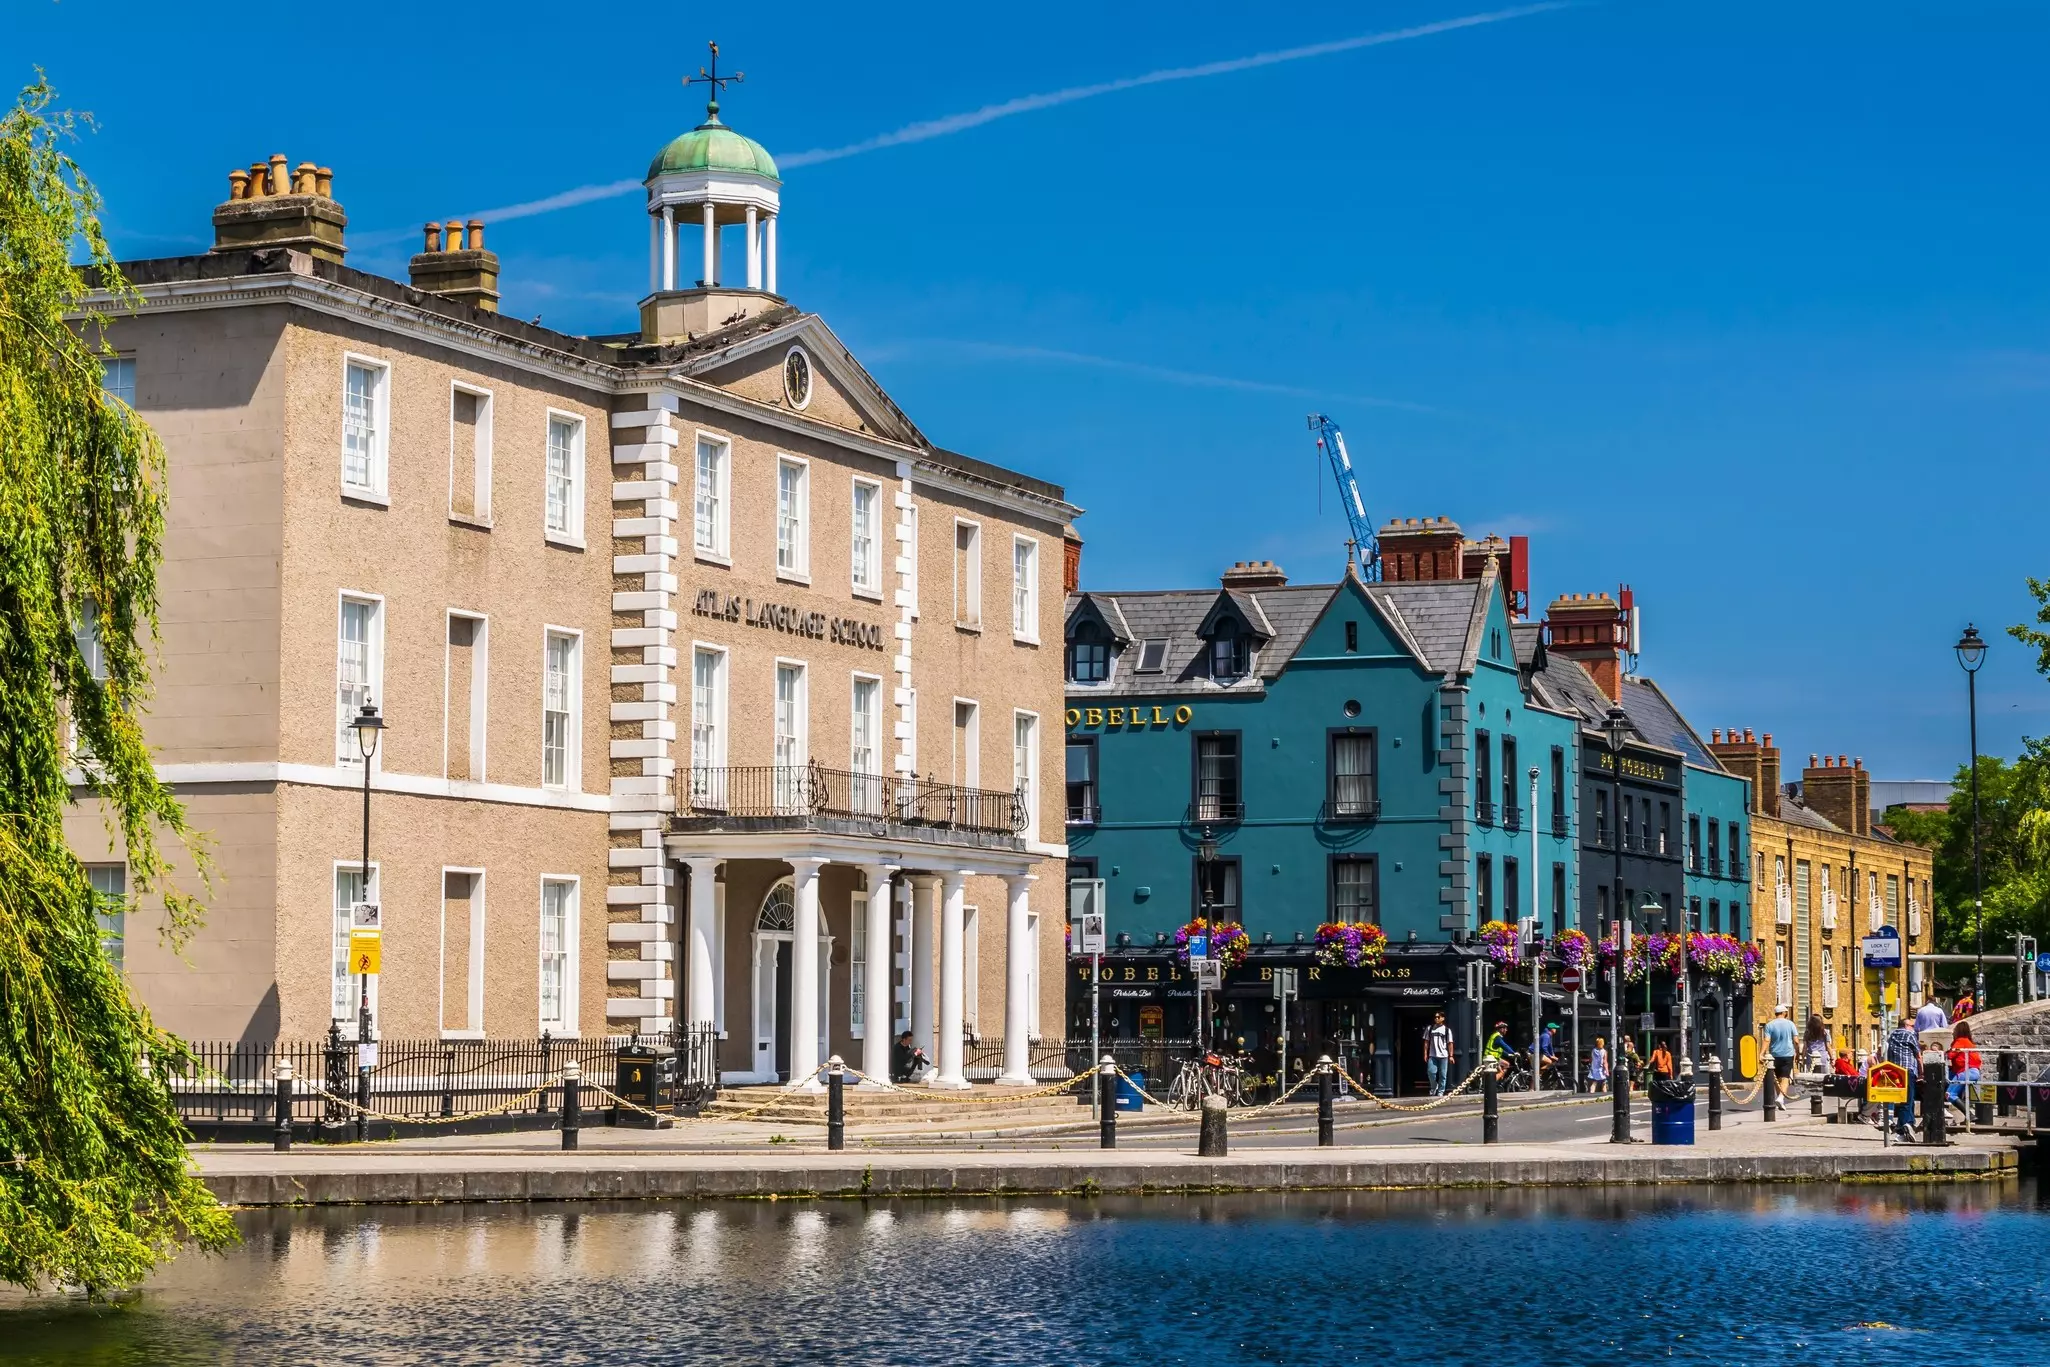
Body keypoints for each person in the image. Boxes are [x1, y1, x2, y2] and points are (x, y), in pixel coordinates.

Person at [1882, 1017, 1921, 1140]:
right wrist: (1922, 1073)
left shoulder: (1891, 1036)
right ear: (1906, 1026)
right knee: (1907, 1100)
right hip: (1908, 1071)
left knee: (1902, 1099)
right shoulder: (1910, 1035)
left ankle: (1908, 1125)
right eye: (1912, 1026)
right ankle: (1903, 1129)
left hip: (1894, 1072)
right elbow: (1918, 1056)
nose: (1913, 1028)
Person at [1947, 1021, 1983, 1112]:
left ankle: (1969, 1115)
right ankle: (1967, 1120)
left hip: (1965, 1072)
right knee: (1962, 1095)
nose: (1953, 1032)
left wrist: (1940, 1052)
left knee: (1950, 1094)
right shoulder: (1969, 1043)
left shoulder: (1960, 1041)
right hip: (1974, 1072)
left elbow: (1950, 1055)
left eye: (1954, 1030)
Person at [1764, 1006, 1798, 1101]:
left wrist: (1761, 1053)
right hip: (1788, 1054)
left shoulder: (1769, 1025)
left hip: (1774, 1054)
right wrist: (1798, 1052)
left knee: (1777, 1078)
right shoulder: (1791, 1024)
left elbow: (1766, 1040)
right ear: (1784, 1013)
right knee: (1785, 1077)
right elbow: (1796, 1041)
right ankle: (1781, 1097)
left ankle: (1780, 1098)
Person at [1424, 1011, 1455, 1096]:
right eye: (1435, 1017)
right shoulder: (1430, 1028)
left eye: (1438, 1017)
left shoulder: (1447, 1030)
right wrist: (1425, 1054)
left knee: (1443, 1074)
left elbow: (1450, 1043)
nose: (1436, 1019)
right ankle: (1434, 1086)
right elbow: (1426, 1041)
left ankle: (1441, 1091)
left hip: (1443, 1055)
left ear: (1443, 1018)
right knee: (1431, 1072)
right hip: (1432, 1055)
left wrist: (1451, 1055)